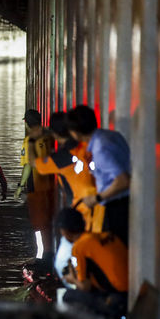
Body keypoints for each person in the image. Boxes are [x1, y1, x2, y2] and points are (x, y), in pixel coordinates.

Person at [28, 112, 99, 282]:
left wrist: (31, 140)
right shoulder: (85, 146)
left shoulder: (62, 157)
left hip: (81, 208)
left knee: (68, 259)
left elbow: (33, 163)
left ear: (54, 133)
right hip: (98, 203)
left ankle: (78, 286)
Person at [67, 105, 130, 245]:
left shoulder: (100, 148)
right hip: (126, 202)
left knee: (117, 248)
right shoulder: (112, 135)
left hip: (117, 206)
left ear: (76, 133)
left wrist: (96, 198)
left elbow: (123, 180)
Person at [57, 208, 128, 319]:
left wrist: (72, 280)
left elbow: (85, 287)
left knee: (68, 296)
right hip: (129, 288)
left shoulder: (79, 247)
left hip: (118, 298)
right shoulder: (99, 235)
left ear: (65, 231)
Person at [16, 109, 56, 265]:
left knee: (39, 224)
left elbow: (27, 166)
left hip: (36, 185)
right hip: (51, 184)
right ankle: (51, 251)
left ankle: (41, 257)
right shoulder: (48, 135)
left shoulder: (29, 140)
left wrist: (20, 186)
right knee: (49, 221)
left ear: (26, 123)